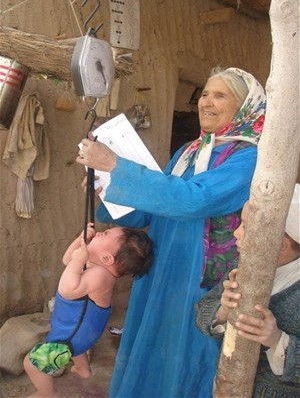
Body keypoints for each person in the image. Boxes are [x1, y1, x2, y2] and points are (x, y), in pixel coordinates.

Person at [76, 67, 266, 398]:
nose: (206, 101)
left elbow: (196, 199)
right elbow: (151, 210)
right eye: (204, 94)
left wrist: (118, 168)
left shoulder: (247, 157)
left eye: (220, 95)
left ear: (246, 106)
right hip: (162, 268)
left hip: (199, 279)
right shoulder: (188, 152)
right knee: (152, 345)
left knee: (187, 354)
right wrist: (104, 190)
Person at [23, 223, 153, 398]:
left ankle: (48, 393)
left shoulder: (99, 276)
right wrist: (80, 241)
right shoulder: (99, 267)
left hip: (69, 338)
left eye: (105, 234)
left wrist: (78, 261)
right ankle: (83, 370)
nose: (99, 233)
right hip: (83, 334)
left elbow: (67, 290)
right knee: (77, 346)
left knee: (31, 364)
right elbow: (67, 261)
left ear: (107, 259)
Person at [195, 184, 300, 397]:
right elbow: (204, 308)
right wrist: (223, 311)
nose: (235, 233)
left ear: (281, 244)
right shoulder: (241, 266)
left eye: (245, 226)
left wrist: (276, 340)